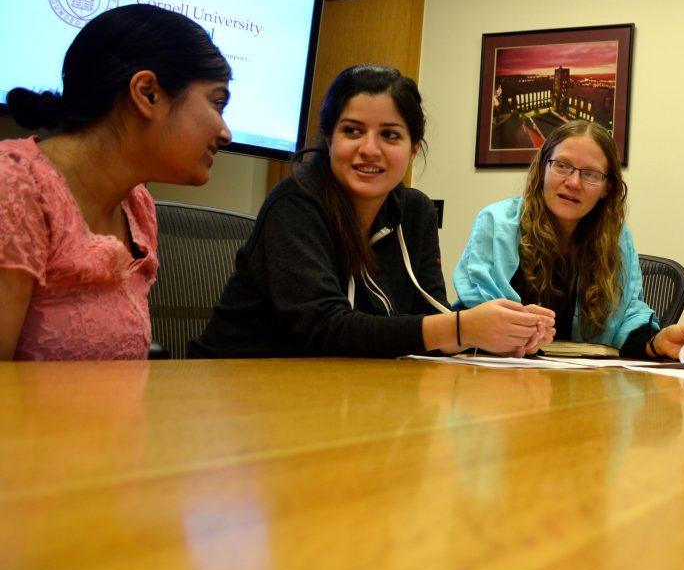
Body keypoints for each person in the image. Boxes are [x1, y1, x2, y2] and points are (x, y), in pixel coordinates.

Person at [189, 65, 554, 358]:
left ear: (413, 150)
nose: (369, 149)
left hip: (342, 393)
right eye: (352, 131)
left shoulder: (415, 211)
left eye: (390, 135)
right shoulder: (295, 201)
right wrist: (462, 327)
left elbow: (427, 316)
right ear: (329, 139)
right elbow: (324, 329)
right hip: (238, 391)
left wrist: (503, 332)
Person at [1, 4, 232, 361]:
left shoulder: (137, 204)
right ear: (148, 93)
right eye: (217, 103)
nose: (225, 132)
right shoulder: (14, 186)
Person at [454, 119, 684, 360]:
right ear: (543, 168)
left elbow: (627, 317)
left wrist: (655, 343)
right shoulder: (497, 223)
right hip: (501, 380)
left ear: (607, 188)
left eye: (590, 174)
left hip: (585, 385)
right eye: (562, 166)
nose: (573, 182)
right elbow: (478, 311)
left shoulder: (617, 238)